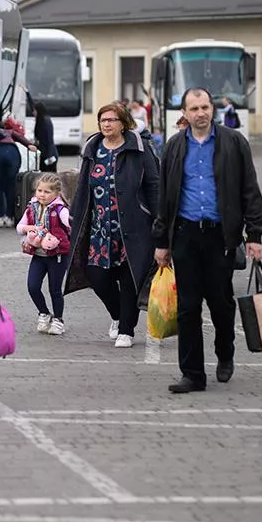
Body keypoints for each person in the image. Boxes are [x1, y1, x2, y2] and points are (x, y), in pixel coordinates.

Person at [152, 88, 262, 393]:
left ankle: (225, 353)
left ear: (212, 109)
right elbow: (164, 197)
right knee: (188, 307)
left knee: (221, 304)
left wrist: (254, 235)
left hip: (220, 235)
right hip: (186, 235)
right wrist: (161, 241)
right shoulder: (174, 147)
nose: (200, 113)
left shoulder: (233, 142)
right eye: (194, 108)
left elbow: (249, 190)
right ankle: (192, 374)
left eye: (205, 107)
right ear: (185, 114)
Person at [63, 103, 160, 349]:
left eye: (112, 120)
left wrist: (160, 221)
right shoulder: (93, 148)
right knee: (97, 276)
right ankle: (118, 315)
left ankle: (126, 329)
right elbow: (83, 186)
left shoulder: (140, 149)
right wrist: (74, 216)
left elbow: (154, 186)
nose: (107, 124)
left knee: (129, 279)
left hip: (134, 226)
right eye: (103, 120)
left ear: (124, 122)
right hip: (99, 229)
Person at [16, 173, 71, 336]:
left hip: (58, 255)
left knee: (55, 289)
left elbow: (71, 225)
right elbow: (20, 227)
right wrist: (28, 228)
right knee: (32, 286)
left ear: (57, 193)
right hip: (39, 256)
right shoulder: (31, 208)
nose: (42, 194)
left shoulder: (60, 209)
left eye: (47, 192)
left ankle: (58, 319)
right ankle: (44, 313)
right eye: (39, 190)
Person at [0, 117, 37, 227]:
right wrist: (29, 145)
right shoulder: (9, 132)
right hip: (12, 153)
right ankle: (9, 217)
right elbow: (19, 136)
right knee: (11, 186)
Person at [31, 97, 59, 173]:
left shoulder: (45, 122)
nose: (33, 113)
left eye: (34, 111)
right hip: (45, 155)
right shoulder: (41, 121)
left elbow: (49, 140)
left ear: (38, 111)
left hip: (49, 156)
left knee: (48, 177)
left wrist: (49, 157)